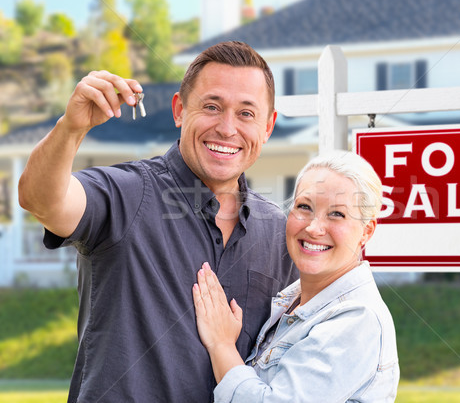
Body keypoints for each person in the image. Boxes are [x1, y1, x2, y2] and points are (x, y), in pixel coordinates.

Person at [18, 41, 297, 402]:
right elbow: (40, 199)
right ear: (180, 110)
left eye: (246, 113)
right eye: (212, 107)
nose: (228, 129)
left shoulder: (279, 232)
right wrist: (71, 129)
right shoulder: (126, 194)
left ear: (268, 126)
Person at [193, 150, 400, 402]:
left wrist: (222, 345)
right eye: (304, 207)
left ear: (366, 231)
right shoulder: (290, 302)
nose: (313, 228)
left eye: (337, 214)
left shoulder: (357, 319)